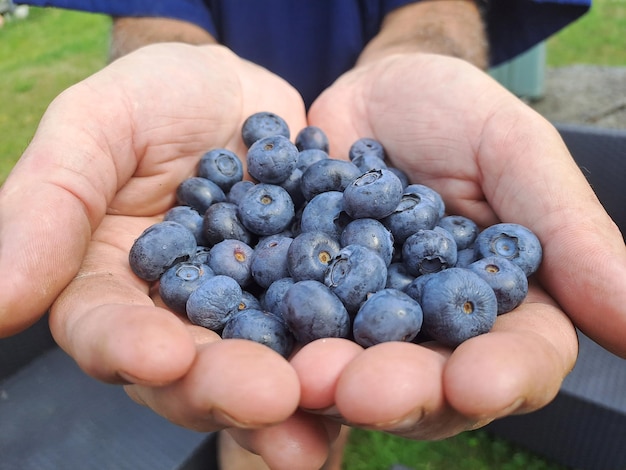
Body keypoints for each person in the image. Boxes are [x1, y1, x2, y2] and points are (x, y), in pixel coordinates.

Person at [4, 1, 626, 469]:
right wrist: (160, 47)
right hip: (215, 110)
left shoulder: (384, 225)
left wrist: (425, 49)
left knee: (334, 387)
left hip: (380, 97)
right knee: (252, 400)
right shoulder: (238, 223)